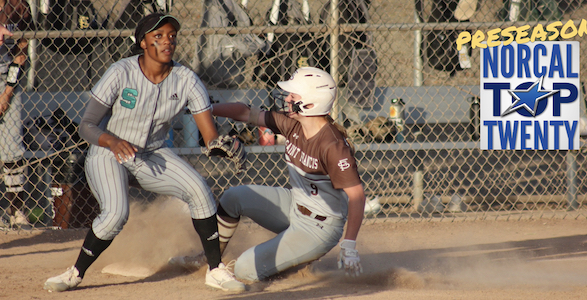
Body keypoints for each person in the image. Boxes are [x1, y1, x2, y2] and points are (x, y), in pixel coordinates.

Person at [43, 13, 246, 293]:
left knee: (200, 189)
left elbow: (210, 136)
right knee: (116, 215)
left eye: (171, 36)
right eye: (158, 36)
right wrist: (111, 142)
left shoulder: (186, 79)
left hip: (152, 155)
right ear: (143, 42)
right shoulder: (121, 71)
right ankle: (75, 273)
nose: (167, 41)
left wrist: (220, 145)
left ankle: (215, 270)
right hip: (108, 152)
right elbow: (86, 126)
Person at [170, 66, 367, 281]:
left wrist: (349, 244)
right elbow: (246, 112)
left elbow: (357, 195)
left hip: (320, 227)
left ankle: (299, 263)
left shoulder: (333, 145)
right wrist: (203, 108)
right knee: (233, 197)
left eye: (294, 94)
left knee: (245, 269)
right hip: (295, 205)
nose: (287, 98)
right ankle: (208, 258)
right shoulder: (293, 124)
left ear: (311, 103)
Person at [0, 0, 34, 229]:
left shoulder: (18, 6)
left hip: (6, 79)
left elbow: (21, 53)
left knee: (11, 148)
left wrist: (6, 94)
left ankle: (16, 212)